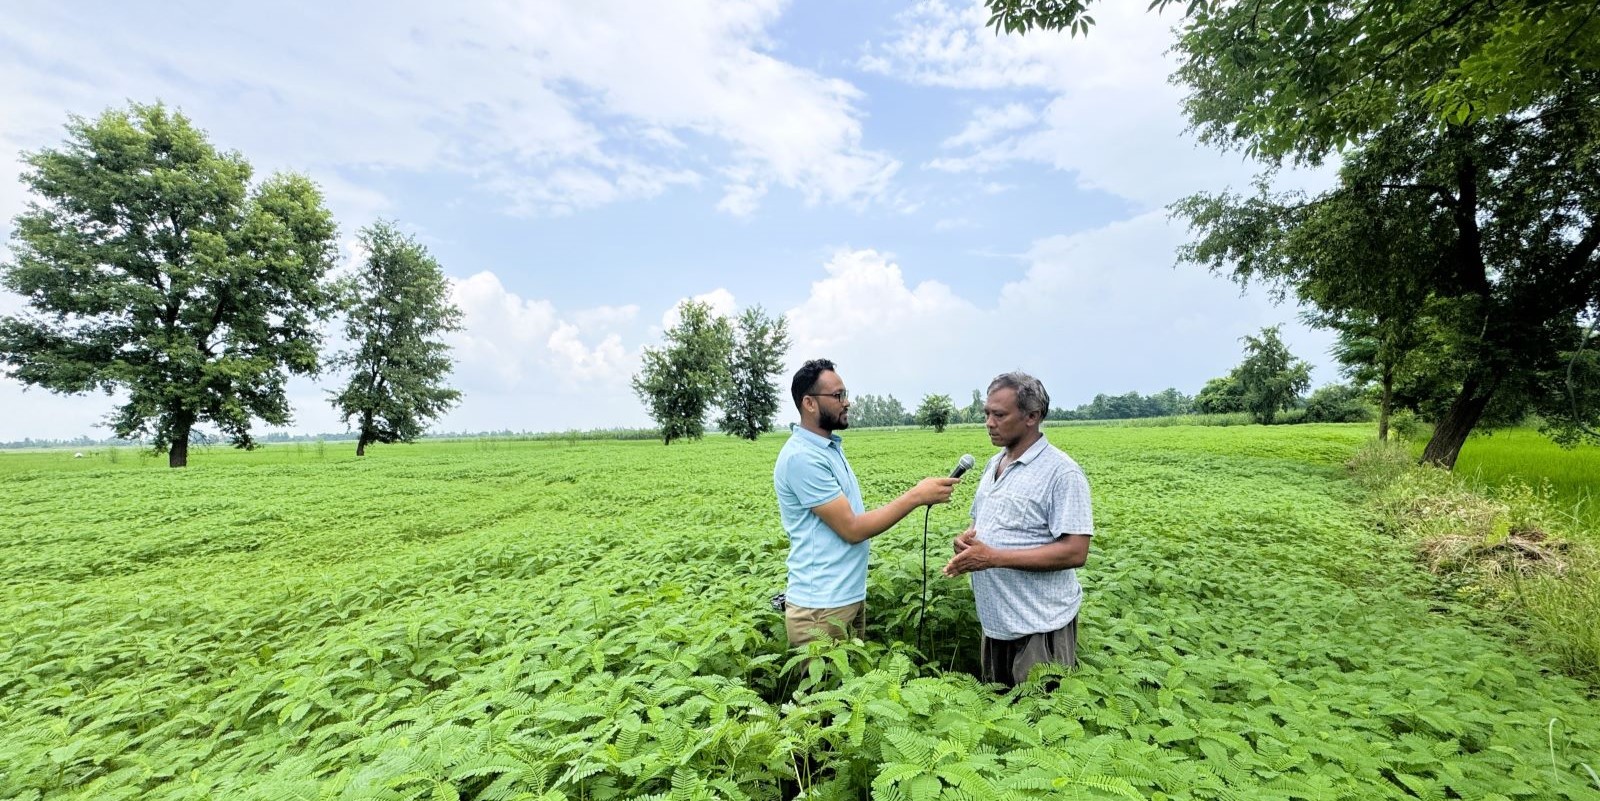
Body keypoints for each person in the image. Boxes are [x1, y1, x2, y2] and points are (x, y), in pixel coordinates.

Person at [774, 358, 960, 647]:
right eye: (837, 396)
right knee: (823, 692)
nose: (846, 402)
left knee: (852, 690)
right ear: (809, 403)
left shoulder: (827, 448)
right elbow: (852, 529)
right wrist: (916, 496)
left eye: (845, 394)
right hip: (820, 607)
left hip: (844, 597)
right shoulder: (803, 457)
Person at [942, 371, 1092, 687]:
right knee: (1001, 724)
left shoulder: (1062, 473)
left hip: (1039, 627)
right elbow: (981, 526)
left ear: (1032, 416)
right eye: (986, 414)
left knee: (1041, 723)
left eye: (999, 415)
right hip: (996, 624)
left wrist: (993, 557)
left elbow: (1076, 551)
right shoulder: (993, 464)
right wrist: (968, 544)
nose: (989, 422)